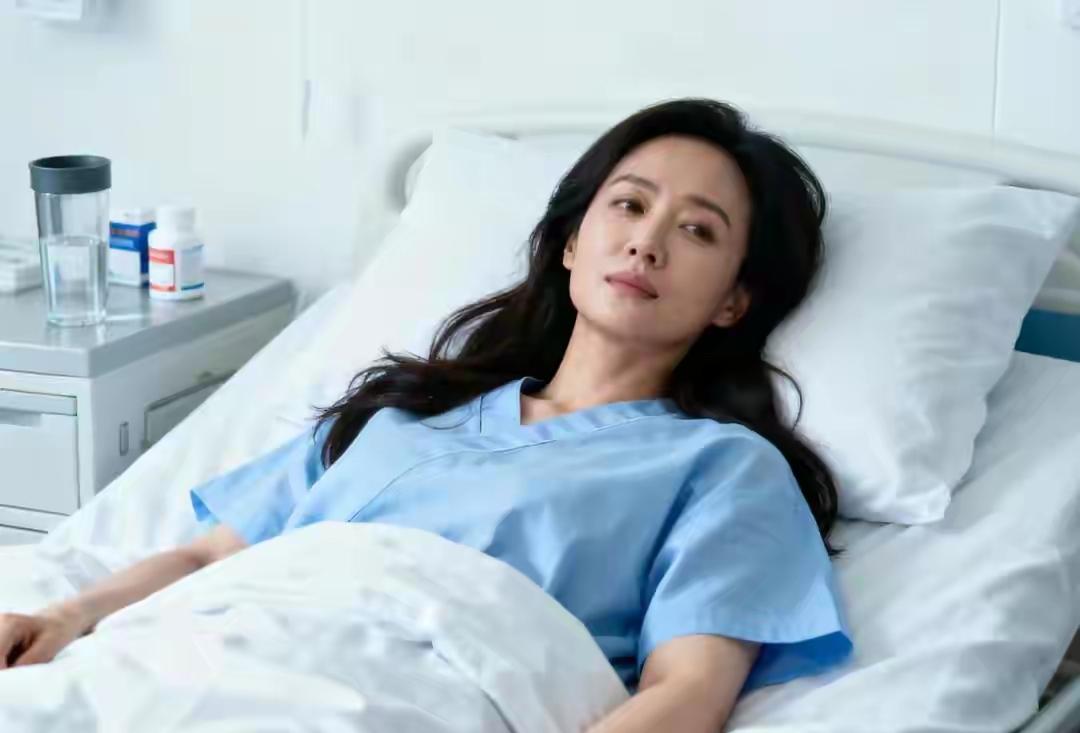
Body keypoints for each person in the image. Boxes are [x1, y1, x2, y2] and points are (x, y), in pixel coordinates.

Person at [0, 98, 852, 731]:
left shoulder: (724, 469)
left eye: (698, 231)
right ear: (570, 242)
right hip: (196, 658)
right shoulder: (405, 413)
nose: (646, 242)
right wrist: (63, 618)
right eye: (628, 205)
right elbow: (207, 557)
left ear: (734, 301)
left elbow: (688, 694)